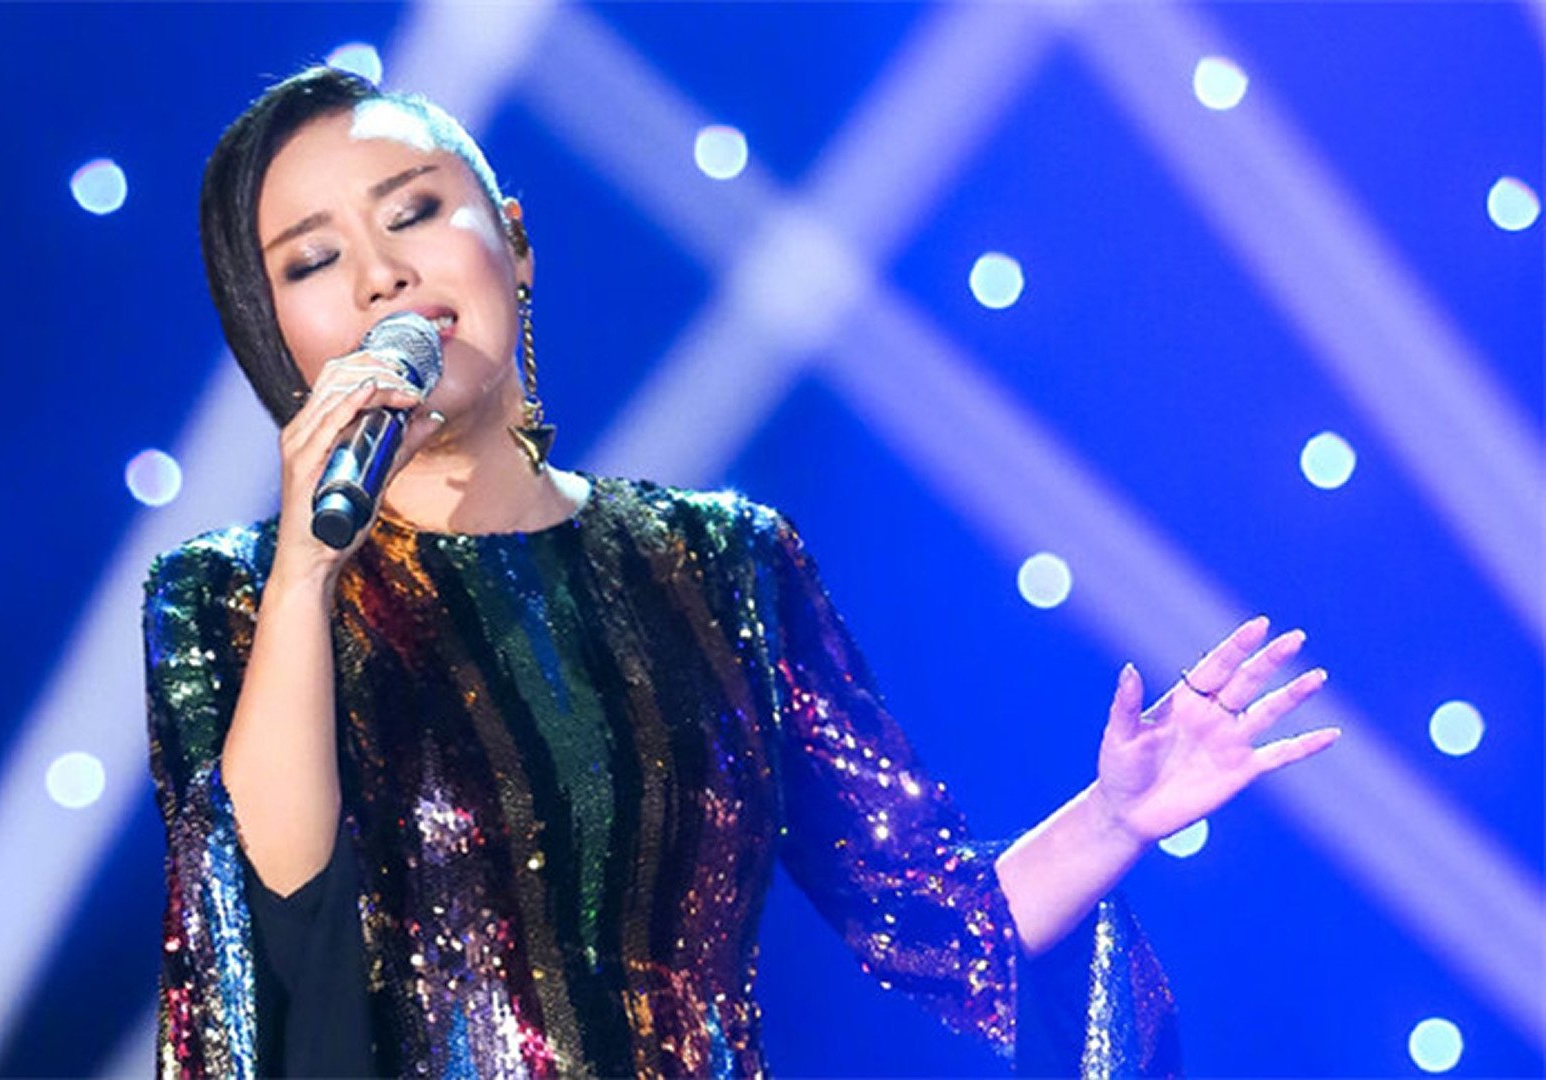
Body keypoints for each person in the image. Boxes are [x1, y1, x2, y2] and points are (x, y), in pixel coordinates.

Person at [143, 65, 1339, 1079]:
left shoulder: (721, 564)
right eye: (313, 260)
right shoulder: (231, 599)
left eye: (412, 211)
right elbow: (263, 918)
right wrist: (306, 575)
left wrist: (1115, 817)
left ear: (513, 240)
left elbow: (929, 920)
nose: (381, 277)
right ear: (275, 333)